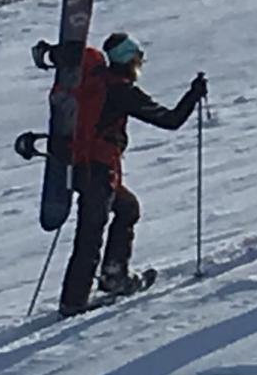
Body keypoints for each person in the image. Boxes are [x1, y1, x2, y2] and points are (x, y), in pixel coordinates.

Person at [58, 32, 208, 317]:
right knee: (90, 233)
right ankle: (74, 300)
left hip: (79, 165)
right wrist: (193, 95)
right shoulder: (122, 91)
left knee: (127, 209)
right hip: (99, 171)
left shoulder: (95, 80)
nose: (139, 67)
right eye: (138, 61)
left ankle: (114, 275)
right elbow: (170, 120)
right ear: (128, 61)